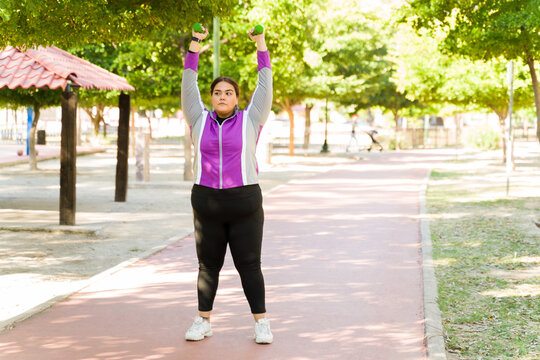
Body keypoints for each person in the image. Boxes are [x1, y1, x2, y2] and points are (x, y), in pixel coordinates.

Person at [181, 24, 274, 344]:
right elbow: (188, 84)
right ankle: (203, 320)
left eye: (228, 92)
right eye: (217, 92)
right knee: (208, 266)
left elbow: (266, 83)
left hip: (245, 202)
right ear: (211, 98)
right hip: (206, 202)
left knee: (249, 264)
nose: (223, 96)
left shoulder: (252, 118)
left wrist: (260, 44)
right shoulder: (198, 118)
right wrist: (195, 46)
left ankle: (261, 323)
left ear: (237, 98)